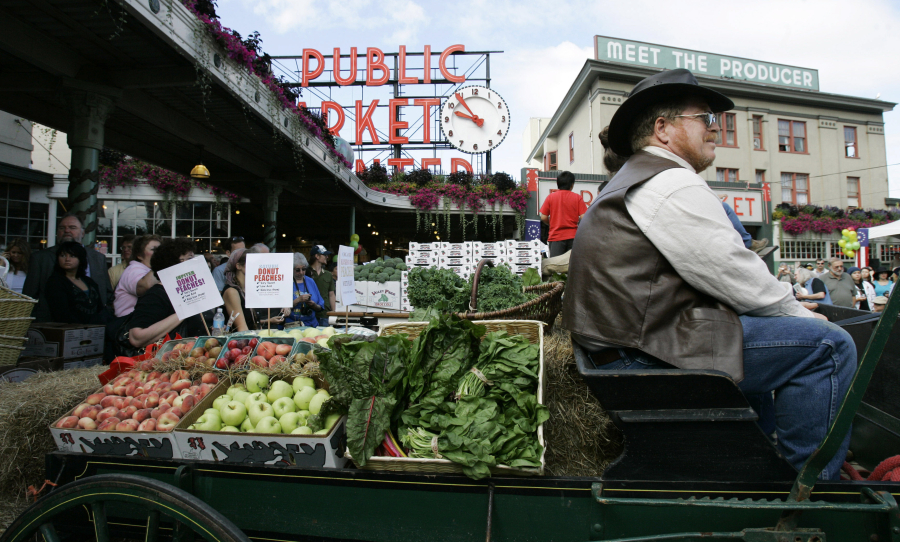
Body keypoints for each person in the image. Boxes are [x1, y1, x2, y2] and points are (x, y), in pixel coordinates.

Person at [561, 68, 855, 480]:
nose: (715, 129)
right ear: (663, 129)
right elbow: (736, 273)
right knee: (828, 347)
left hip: (626, 351)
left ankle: (761, 462)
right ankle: (807, 491)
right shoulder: (669, 182)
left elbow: (722, 274)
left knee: (777, 334)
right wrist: (803, 315)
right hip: (641, 361)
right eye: (705, 119)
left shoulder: (640, 176)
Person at [23, 214, 114, 321]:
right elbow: (29, 296)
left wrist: (107, 314)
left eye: (72, 227)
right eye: (62, 228)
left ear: (83, 232)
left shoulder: (98, 258)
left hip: (94, 325)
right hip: (52, 324)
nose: (66, 230)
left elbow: (107, 292)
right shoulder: (40, 258)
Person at [126, 239, 206, 348]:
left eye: (192, 258)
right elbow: (136, 337)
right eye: (188, 259)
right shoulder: (157, 294)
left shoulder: (195, 291)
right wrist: (185, 310)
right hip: (170, 359)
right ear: (171, 264)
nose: (193, 263)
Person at [221, 248, 288, 331]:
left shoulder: (250, 288)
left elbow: (253, 321)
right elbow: (242, 328)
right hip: (240, 341)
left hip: (253, 338)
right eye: (251, 263)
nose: (256, 266)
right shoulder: (232, 291)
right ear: (238, 266)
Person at [43, 241, 108, 324]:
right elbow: (61, 313)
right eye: (62, 255)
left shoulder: (89, 282)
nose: (67, 259)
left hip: (96, 330)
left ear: (81, 259)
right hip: (70, 331)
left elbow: (100, 308)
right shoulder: (55, 282)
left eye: (72, 256)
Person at [539, 171, 588, 258]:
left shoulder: (551, 197)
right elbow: (584, 218)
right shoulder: (578, 198)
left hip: (556, 238)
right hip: (573, 238)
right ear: (572, 184)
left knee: (556, 267)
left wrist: (552, 223)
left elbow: (543, 217)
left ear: (558, 184)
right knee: (572, 267)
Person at [114, 235, 162, 317]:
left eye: (161, 250)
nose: (159, 253)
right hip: (128, 323)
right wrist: (160, 262)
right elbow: (145, 287)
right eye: (154, 249)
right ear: (139, 255)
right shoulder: (133, 269)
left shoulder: (151, 270)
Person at [285, 253, 325, 327]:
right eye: (297, 270)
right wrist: (297, 300)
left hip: (312, 324)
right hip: (292, 325)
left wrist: (313, 305)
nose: (301, 272)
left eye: (303, 269)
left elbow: (321, 306)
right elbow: (281, 308)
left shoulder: (310, 281)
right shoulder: (286, 282)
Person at [308, 245, 336, 326]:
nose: (327, 257)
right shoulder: (305, 272)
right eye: (325, 255)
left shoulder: (328, 274)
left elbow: (331, 295)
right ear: (317, 256)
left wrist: (334, 312)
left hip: (325, 314)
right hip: (309, 314)